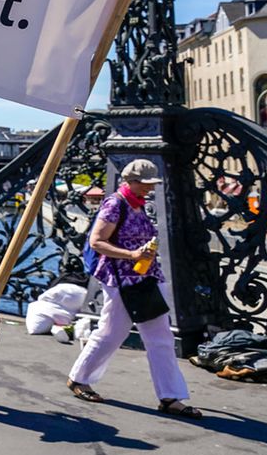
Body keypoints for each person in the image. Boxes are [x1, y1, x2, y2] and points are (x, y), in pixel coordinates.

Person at [67, 159, 201, 418]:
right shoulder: (115, 204)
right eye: (146, 183)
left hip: (145, 278)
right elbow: (97, 241)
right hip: (122, 281)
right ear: (130, 181)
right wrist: (132, 254)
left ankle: (171, 397)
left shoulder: (138, 204)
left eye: (152, 183)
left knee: (160, 336)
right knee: (111, 333)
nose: (150, 188)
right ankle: (79, 378)